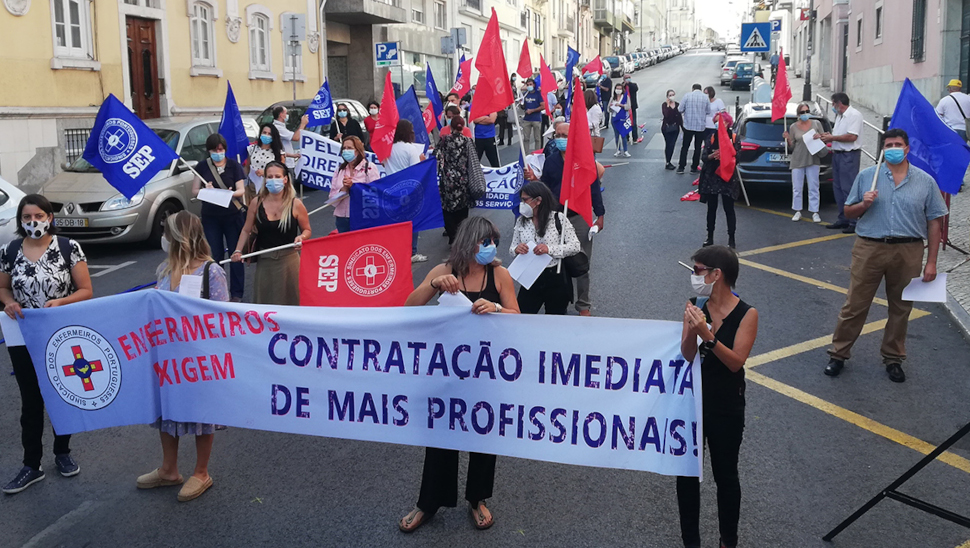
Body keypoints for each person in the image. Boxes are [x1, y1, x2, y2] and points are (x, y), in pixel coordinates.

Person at [399, 216, 520, 534]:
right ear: (468, 243)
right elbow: (407, 308)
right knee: (440, 437)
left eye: (493, 241)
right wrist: (433, 285)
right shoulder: (443, 272)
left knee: (483, 437)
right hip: (446, 372)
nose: (491, 247)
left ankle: (478, 498)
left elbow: (518, 318)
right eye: (485, 241)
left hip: (487, 372)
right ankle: (428, 502)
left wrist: (495, 309)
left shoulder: (500, 274)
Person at [823, 129, 948, 383]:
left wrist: (932, 262)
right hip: (870, 247)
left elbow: (935, 222)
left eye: (898, 144)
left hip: (909, 250)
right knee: (855, 305)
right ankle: (838, 354)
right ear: (882, 150)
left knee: (901, 308)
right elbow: (848, 212)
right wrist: (864, 205)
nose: (893, 148)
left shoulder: (925, 181)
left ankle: (893, 359)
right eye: (888, 144)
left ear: (907, 148)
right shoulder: (868, 176)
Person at [0, 194, 92, 494]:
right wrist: (9, 302)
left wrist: (62, 301)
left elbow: (86, 290)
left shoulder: (68, 247)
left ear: (49, 217)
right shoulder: (10, 250)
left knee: (60, 394)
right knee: (31, 399)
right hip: (23, 336)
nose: (33, 222)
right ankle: (31, 464)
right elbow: (2, 287)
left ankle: (62, 452)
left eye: (39, 216)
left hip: (60, 335)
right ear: (20, 221)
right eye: (27, 217)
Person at [138, 211, 227, 502]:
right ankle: (169, 469)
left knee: (202, 413)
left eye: (166, 231)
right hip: (168, 356)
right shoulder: (165, 270)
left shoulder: (211, 271)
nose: (163, 236)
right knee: (168, 411)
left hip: (198, 357)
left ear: (177, 237)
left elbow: (222, 317)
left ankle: (201, 472)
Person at [678, 245, 759, 548]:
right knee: (686, 476)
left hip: (726, 404)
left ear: (717, 274)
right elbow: (686, 355)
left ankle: (728, 540)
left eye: (698, 271)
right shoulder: (695, 304)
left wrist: (708, 336)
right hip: (694, 402)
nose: (694, 277)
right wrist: (690, 330)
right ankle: (691, 542)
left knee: (725, 475)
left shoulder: (747, 314)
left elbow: (736, 362)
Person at [537, 122, 606, 316]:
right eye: (557, 135)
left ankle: (583, 304)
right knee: (556, 259)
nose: (560, 139)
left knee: (581, 262)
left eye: (565, 135)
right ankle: (558, 300)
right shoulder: (551, 161)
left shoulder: (584, 161)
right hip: (556, 218)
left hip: (579, 218)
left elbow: (594, 189)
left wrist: (599, 215)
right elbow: (545, 187)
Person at [232, 161, 311, 305]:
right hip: (265, 261)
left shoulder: (296, 204)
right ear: (265, 179)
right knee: (267, 304)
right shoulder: (256, 202)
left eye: (277, 176)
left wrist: (302, 237)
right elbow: (246, 229)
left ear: (285, 179)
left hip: (290, 261)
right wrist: (237, 250)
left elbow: (307, 229)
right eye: (269, 177)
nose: (273, 180)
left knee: (294, 302)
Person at [191, 133, 247, 302]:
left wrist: (229, 193)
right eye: (214, 150)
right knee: (215, 255)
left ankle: (237, 293)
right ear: (209, 151)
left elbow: (241, 190)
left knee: (235, 253)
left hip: (232, 215)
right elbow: (194, 191)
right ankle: (217, 290)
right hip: (211, 217)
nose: (218, 153)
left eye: (220, 150)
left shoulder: (233, 165)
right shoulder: (202, 167)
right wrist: (205, 190)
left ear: (225, 149)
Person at [511, 181, 582, 314]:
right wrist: (517, 249)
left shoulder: (558, 218)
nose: (522, 204)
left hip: (554, 275)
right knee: (523, 315)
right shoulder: (522, 220)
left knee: (555, 320)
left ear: (538, 201)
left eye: (525, 200)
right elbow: (512, 247)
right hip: (530, 276)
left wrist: (549, 249)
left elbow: (575, 246)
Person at [818, 92, 864, 233]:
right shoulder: (839, 116)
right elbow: (838, 135)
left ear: (839, 104)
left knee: (848, 188)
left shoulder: (854, 115)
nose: (832, 107)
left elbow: (852, 136)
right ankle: (843, 218)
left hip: (849, 155)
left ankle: (853, 221)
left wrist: (833, 138)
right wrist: (828, 136)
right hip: (837, 154)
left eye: (833, 104)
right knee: (837, 188)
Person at [386, 120, 429, 263]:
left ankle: (396, 250)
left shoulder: (387, 148)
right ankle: (412, 252)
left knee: (395, 222)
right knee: (412, 221)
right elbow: (415, 170)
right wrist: (422, 160)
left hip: (391, 189)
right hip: (408, 190)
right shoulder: (410, 149)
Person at [698, 113, 740, 249]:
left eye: (720, 122)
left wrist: (726, 156)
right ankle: (709, 237)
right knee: (712, 208)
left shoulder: (733, 138)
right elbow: (704, 157)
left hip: (727, 176)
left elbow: (738, 157)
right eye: (715, 122)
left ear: (728, 123)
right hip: (712, 176)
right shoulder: (711, 137)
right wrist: (712, 156)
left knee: (729, 208)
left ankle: (731, 239)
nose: (717, 125)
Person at [434, 115, 477, 244]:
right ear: (463, 127)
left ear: (450, 127)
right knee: (462, 209)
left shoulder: (444, 140)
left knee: (447, 208)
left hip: (447, 180)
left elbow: (435, 156)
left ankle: (452, 236)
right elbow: (474, 160)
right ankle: (461, 236)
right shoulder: (468, 141)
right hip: (463, 179)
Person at [329, 136, 381, 234]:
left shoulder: (369, 168)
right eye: (344, 148)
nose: (346, 151)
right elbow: (332, 200)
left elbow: (375, 194)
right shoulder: (339, 170)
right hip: (342, 218)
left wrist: (354, 187)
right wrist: (344, 190)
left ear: (358, 150)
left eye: (349, 148)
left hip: (362, 217)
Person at [783, 102, 826, 223]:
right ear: (798, 114)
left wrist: (820, 137)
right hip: (798, 159)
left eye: (807, 111)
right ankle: (797, 211)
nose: (805, 114)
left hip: (813, 159)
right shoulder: (793, 127)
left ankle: (815, 212)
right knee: (797, 187)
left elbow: (824, 139)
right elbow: (792, 147)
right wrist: (788, 140)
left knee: (814, 187)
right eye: (802, 112)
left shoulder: (816, 124)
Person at [246, 123, 286, 200]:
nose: (266, 135)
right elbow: (247, 166)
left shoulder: (278, 152)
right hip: (252, 187)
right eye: (264, 133)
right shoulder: (252, 148)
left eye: (269, 134)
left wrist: (265, 172)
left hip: (269, 187)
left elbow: (282, 171)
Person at [678, 84, 708, 174]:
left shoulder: (687, 96)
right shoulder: (705, 97)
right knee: (697, 148)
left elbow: (680, 109)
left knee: (685, 147)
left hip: (688, 126)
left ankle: (681, 167)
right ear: (701, 89)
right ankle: (694, 167)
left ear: (693, 89)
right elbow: (708, 111)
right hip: (700, 127)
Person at [272, 106, 307, 179]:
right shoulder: (278, 128)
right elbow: (295, 137)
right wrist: (303, 124)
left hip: (288, 161)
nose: (287, 115)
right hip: (285, 163)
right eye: (286, 113)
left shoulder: (282, 127)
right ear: (281, 115)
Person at [521, 78, 545, 152]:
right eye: (527, 85)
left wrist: (533, 110)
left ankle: (537, 153)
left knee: (537, 138)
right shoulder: (525, 94)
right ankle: (526, 155)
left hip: (536, 119)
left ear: (534, 85)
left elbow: (543, 106)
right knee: (526, 138)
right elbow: (523, 107)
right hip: (527, 119)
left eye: (530, 84)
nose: (529, 86)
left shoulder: (538, 94)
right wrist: (521, 103)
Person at [662, 89, 684, 170]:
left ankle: (669, 160)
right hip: (666, 128)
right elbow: (666, 115)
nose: (672, 97)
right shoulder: (664, 105)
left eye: (673, 95)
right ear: (667, 97)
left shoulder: (678, 105)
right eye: (670, 95)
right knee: (668, 144)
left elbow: (679, 117)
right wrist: (668, 105)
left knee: (672, 144)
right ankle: (668, 162)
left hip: (675, 128)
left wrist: (683, 128)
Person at [609, 83, 631, 158]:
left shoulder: (625, 97)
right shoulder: (613, 98)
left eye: (619, 89)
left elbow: (628, 107)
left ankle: (625, 151)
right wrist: (611, 106)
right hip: (614, 118)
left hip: (622, 118)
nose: (618, 90)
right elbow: (608, 109)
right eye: (617, 89)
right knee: (616, 135)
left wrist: (620, 105)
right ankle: (618, 150)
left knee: (623, 135)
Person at [622, 73, 641, 143]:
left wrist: (628, 84)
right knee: (626, 123)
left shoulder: (633, 85)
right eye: (626, 78)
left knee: (633, 122)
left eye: (629, 77)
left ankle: (635, 138)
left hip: (632, 107)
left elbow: (635, 89)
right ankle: (626, 137)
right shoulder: (622, 86)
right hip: (625, 107)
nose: (628, 79)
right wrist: (624, 85)